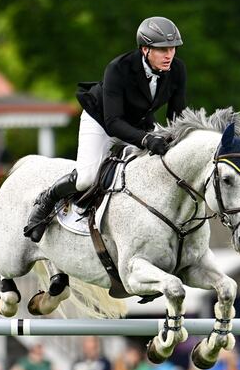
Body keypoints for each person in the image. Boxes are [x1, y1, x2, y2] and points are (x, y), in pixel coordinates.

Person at [24, 16, 187, 242]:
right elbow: (113, 123)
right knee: (86, 178)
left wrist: (174, 142)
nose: (169, 55)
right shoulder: (118, 69)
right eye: (162, 50)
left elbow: (176, 117)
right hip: (101, 120)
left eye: (172, 48)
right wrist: (147, 140)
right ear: (145, 49)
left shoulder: (177, 69)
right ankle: (48, 198)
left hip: (139, 123)